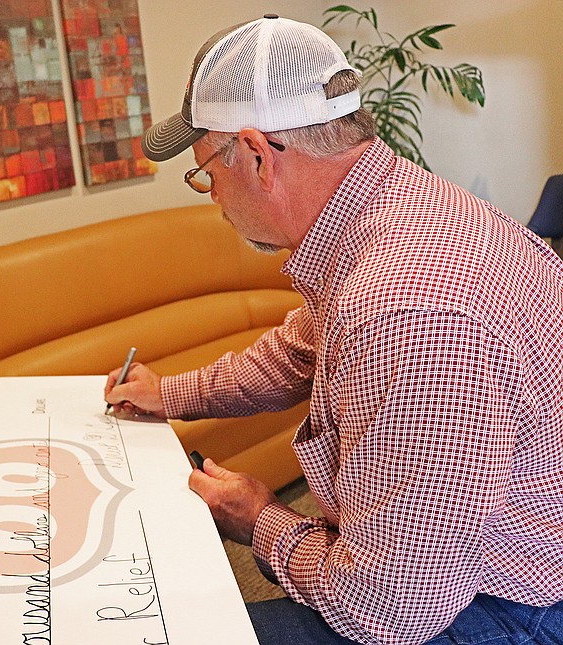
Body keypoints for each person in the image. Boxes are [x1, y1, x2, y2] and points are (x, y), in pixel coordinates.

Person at [103, 14, 563, 645]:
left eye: (207, 171)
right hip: (462, 565)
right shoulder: (398, 209)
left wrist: (260, 518)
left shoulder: (406, 307)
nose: (211, 195)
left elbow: (388, 609)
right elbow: (299, 350)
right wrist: (172, 394)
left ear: (260, 155)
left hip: (508, 605)